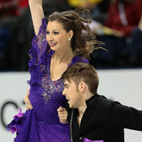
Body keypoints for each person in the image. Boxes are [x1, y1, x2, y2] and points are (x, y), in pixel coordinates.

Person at [6, 0, 102, 141]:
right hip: (34, 131)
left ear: (69, 34)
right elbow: (35, 4)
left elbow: (90, 109)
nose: (50, 38)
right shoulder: (42, 55)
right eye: (48, 33)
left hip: (61, 135)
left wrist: (70, 115)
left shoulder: (80, 69)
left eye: (55, 33)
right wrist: (33, 94)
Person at [58, 62, 142, 142]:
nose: (63, 92)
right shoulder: (71, 112)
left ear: (81, 86)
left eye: (67, 86)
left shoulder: (108, 110)